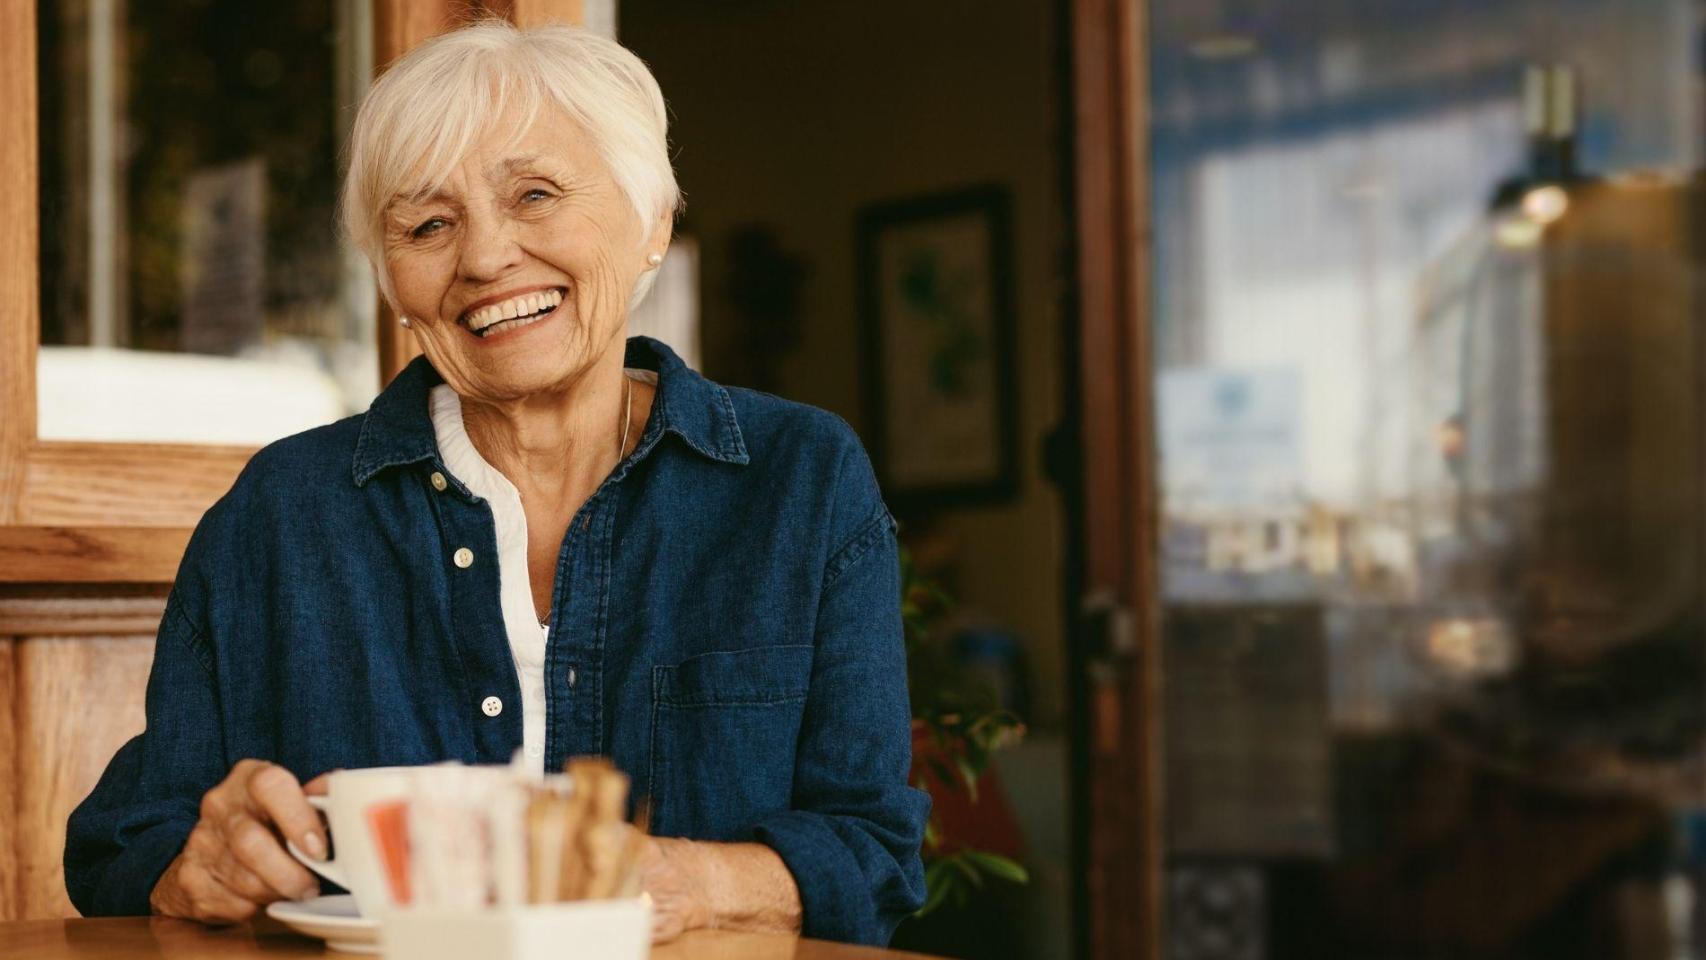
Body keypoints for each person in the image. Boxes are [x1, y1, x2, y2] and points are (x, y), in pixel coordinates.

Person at [64, 21, 927, 946]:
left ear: (652, 223)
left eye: (536, 195)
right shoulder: (281, 512)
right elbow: (123, 842)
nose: (483, 259)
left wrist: (684, 880)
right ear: (392, 280)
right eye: (427, 224)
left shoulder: (798, 481)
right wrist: (196, 863)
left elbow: (871, 854)